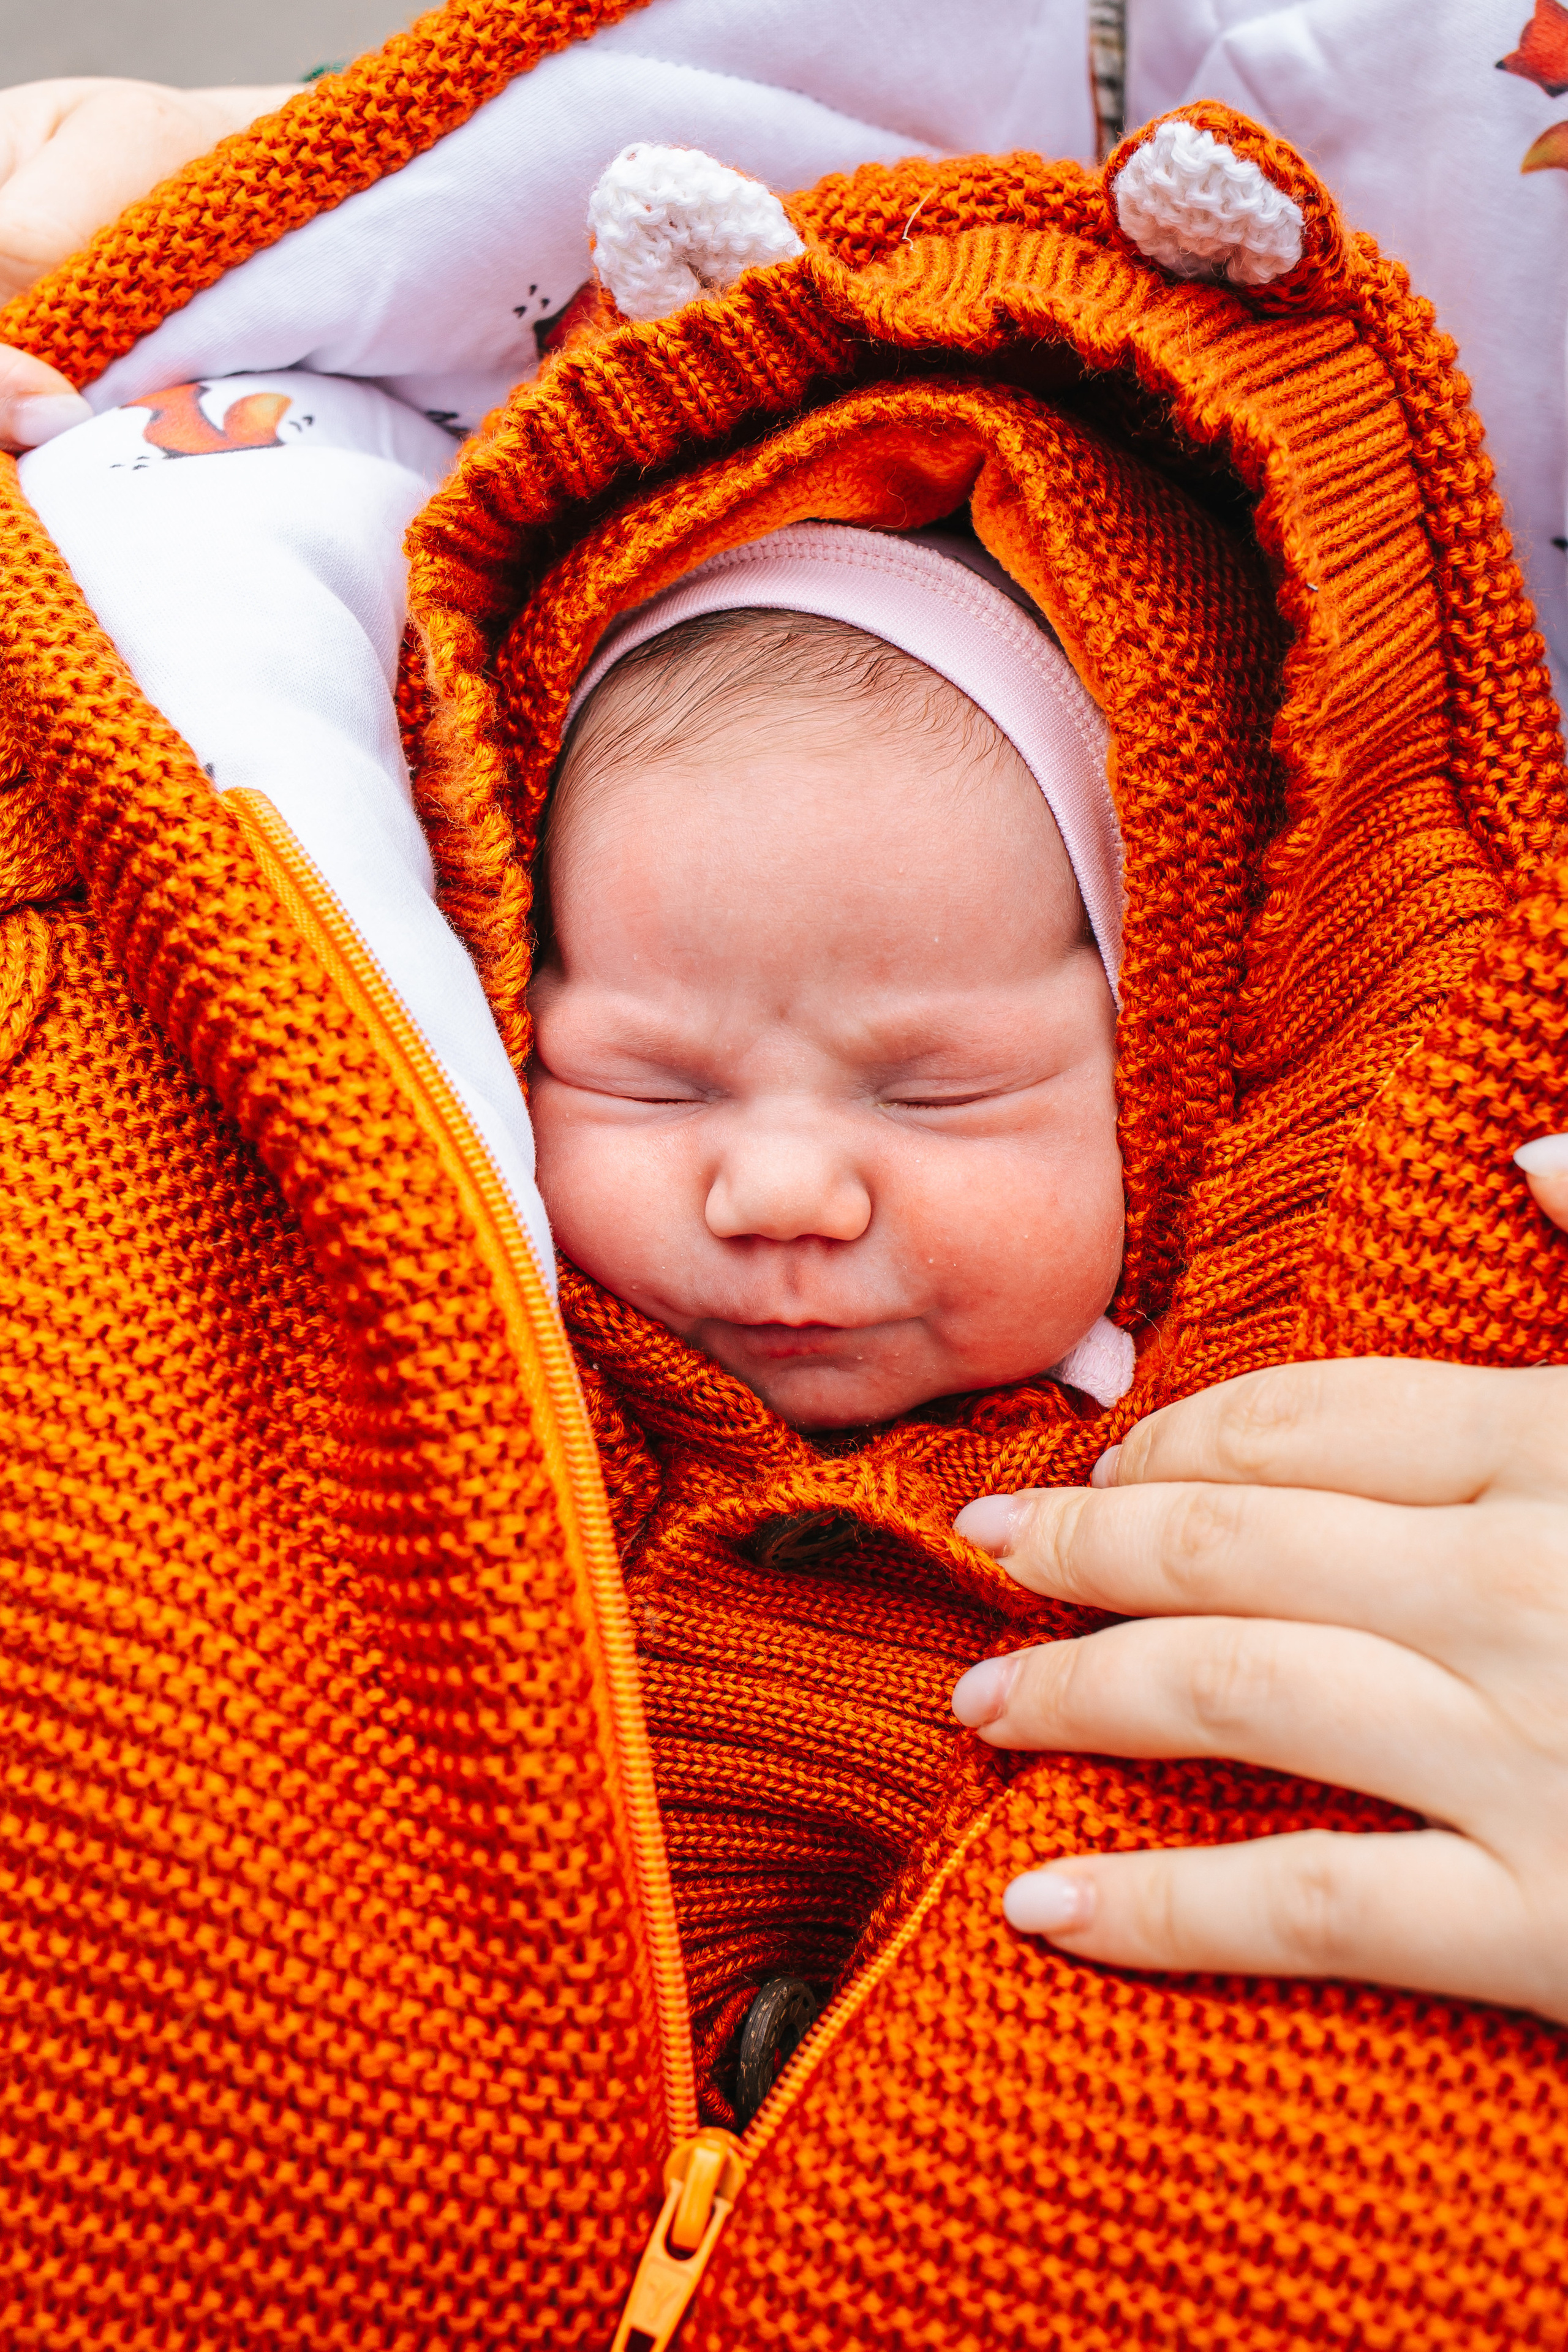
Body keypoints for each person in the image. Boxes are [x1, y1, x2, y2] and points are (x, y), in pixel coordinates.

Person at [0, 9, 1565, 2339]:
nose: (780, 1195)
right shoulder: (497, 1406)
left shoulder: (1268, 1365)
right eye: (643, 1082)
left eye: (933, 1098)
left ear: (1194, 1068)